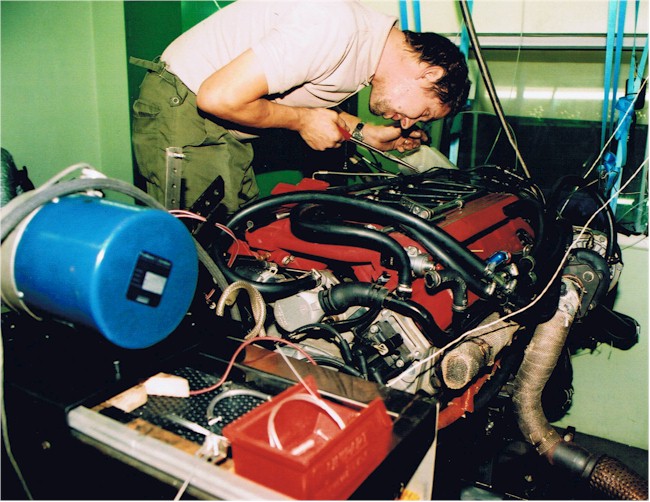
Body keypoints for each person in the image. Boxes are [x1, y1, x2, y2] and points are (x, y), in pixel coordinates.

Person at [130, 0, 470, 214]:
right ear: (429, 73)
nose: (409, 122)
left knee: (237, 233)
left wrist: (367, 134)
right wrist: (302, 121)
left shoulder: (365, 55)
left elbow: (305, 107)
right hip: (186, 107)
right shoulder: (336, 28)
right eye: (422, 112)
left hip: (224, 125)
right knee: (201, 247)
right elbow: (217, 97)